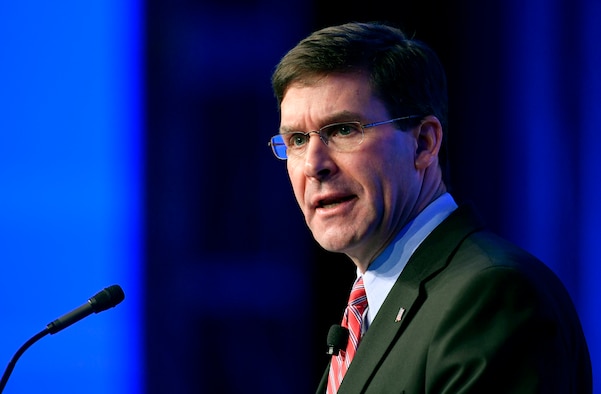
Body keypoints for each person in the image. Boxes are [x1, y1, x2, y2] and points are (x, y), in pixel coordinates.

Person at [267, 21, 592, 394]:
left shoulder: (491, 295)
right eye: (296, 140)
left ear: (423, 143)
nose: (314, 165)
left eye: (343, 130)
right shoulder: (368, 312)